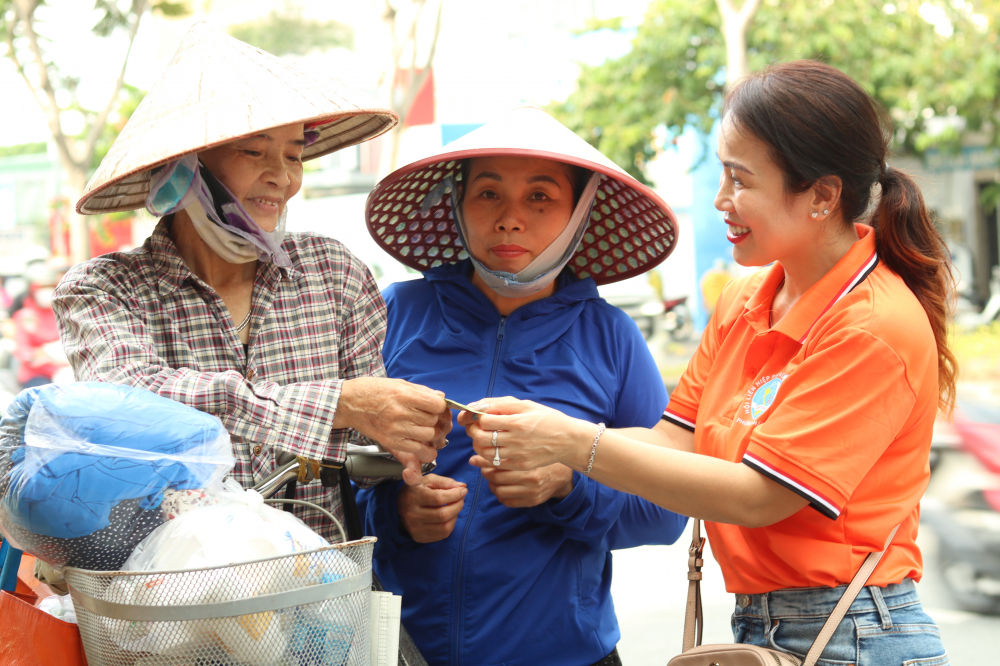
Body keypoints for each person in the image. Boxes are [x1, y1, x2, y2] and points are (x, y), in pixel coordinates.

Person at [461, 62, 954, 665]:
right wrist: (547, 443)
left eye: (739, 179)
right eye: (722, 175)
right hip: (760, 626)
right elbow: (676, 440)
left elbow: (759, 497)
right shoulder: (746, 299)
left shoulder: (873, 326)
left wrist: (569, 442)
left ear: (822, 196)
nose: (722, 200)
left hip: (855, 634)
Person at [51, 23, 450, 539]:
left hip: (322, 598)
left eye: (293, 155)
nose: (282, 178)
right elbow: (134, 398)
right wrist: (338, 403)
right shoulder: (103, 289)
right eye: (253, 151)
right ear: (181, 168)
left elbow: (364, 452)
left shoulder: (334, 273)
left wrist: (406, 479)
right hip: (172, 600)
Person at [356, 107, 688, 666]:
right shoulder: (395, 315)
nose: (511, 219)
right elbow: (336, 476)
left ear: (580, 214)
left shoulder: (610, 337)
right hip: (401, 650)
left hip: (567, 655)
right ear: (458, 206)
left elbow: (666, 511)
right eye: (488, 194)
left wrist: (568, 484)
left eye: (540, 197)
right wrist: (396, 514)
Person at [13, 262, 70, 389]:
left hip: (65, 372)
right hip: (36, 374)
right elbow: (23, 351)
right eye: (41, 287)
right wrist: (45, 354)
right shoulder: (25, 316)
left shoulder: (63, 313)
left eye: (50, 286)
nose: (46, 291)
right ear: (32, 290)